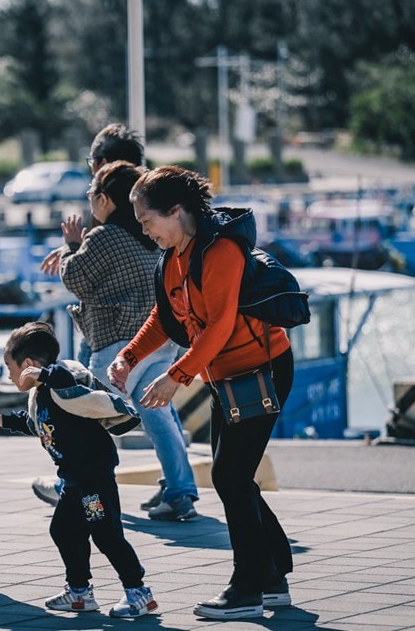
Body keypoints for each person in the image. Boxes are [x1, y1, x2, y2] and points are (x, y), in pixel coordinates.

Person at [107, 165, 294, 620]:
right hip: (223, 377)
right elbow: (165, 316)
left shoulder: (220, 249)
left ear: (176, 210)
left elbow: (220, 325)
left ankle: (248, 588)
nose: (144, 230)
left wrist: (176, 376)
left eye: (147, 220)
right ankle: (272, 576)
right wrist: (130, 356)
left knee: (230, 477)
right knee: (234, 477)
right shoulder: (173, 256)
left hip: (262, 370)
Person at [33, 124, 198, 521]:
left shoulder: (104, 236)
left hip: (117, 345)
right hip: (160, 340)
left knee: (81, 413)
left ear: (105, 198)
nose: (89, 197)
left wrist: (73, 247)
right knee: (157, 414)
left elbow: (76, 278)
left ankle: (70, 487)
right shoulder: (149, 235)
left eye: (92, 191)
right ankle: (180, 492)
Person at [0, 322, 158, 618]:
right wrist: (6, 420)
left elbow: (65, 377)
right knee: (63, 530)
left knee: (105, 534)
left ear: (29, 365)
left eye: (10, 367)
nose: (9, 375)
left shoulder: (62, 384)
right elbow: (38, 424)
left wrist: (44, 374)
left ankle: (139, 592)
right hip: (74, 481)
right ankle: (79, 592)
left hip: (93, 480)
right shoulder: (42, 396)